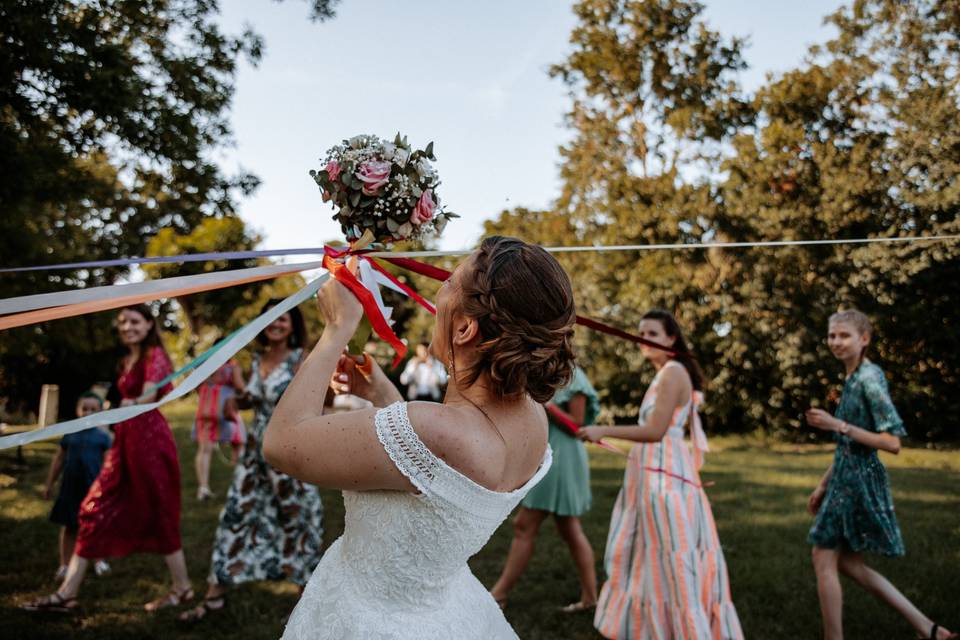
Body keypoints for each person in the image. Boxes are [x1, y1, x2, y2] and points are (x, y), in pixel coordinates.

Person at [262, 236, 575, 639]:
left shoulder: (439, 432)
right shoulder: (533, 419)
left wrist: (336, 330)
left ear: (464, 328)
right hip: (447, 613)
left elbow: (282, 442)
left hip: (369, 619)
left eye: (449, 283)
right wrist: (382, 395)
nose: (439, 290)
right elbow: (435, 479)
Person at [578, 309, 742, 639]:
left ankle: (687, 629)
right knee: (652, 551)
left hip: (665, 477)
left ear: (671, 338)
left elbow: (654, 430)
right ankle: (657, 628)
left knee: (672, 551)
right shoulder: (667, 372)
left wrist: (602, 430)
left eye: (652, 333)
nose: (643, 339)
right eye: (640, 332)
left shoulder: (672, 373)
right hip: (655, 472)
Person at [22, 304, 192, 613]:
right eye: (123, 321)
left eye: (135, 321)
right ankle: (67, 592)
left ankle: (182, 588)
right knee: (93, 508)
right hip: (126, 441)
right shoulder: (129, 358)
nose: (128, 327)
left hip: (149, 443)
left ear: (149, 323)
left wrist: (126, 402)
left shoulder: (155, 355)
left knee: (159, 511)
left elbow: (150, 396)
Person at [805, 309, 956, 640]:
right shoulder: (853, 377)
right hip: (844, 479)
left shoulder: (870, 379)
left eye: (844, 335)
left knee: (823, 557)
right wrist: (822, 485)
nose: (836, 342)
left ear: (864, 339)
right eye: (832, 335)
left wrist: (836, 424)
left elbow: (892, 443)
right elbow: (848, 446)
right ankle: (929, 629)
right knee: (848, 564)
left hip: (858, 483)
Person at [178, 301, 324, 623]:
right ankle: (214, 596)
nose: (276, 325)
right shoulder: (257, 359)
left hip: (289, 453)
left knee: (298, 520)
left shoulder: (302, 359)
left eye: (283, 319)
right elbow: (255, 397)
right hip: (255, 454)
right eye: (271, 319)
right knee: (236, 513)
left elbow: (317, 401)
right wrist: (237, 400)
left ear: (292, 325)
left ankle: (305, 604)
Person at [490, 365, 601, 612]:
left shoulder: (573, 376)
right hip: (548, 453)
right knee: (568, 528)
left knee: (525, 525)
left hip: (564, 458)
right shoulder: (537, 371)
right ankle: (590, 597)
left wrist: (547, 404)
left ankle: (499, 594)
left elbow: (577, 424)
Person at [44, 392, 113, 581]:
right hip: (70, 489)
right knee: (69, 527)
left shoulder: (103, 437)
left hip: (93, 490)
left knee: (95, 526)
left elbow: (108, 465)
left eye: (93, 409)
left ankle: (100, 561)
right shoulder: (69, 434)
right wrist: (49, 484)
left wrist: (107, 488)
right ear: (78, 410)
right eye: (85, 408)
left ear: (99, 412)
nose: (88, 412)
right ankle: (64, 565)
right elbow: (58, 459)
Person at [192, 358, 246, 500]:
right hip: (227, 410)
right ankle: (239, 485)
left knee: (204, 450)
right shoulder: (232, 366)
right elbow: (240, 386)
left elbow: (194, 383)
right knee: (238, 446)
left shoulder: (203, 364)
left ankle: (203, 487)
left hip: (207, 409)